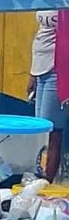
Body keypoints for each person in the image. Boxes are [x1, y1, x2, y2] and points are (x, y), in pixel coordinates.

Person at [32, 10, 64, 179]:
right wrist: (32, 73)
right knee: (40, 131)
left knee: (52, 133)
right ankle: (38, 179)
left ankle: (46, 183)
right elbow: (42, 33)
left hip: (58, 71)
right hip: (41, 70)